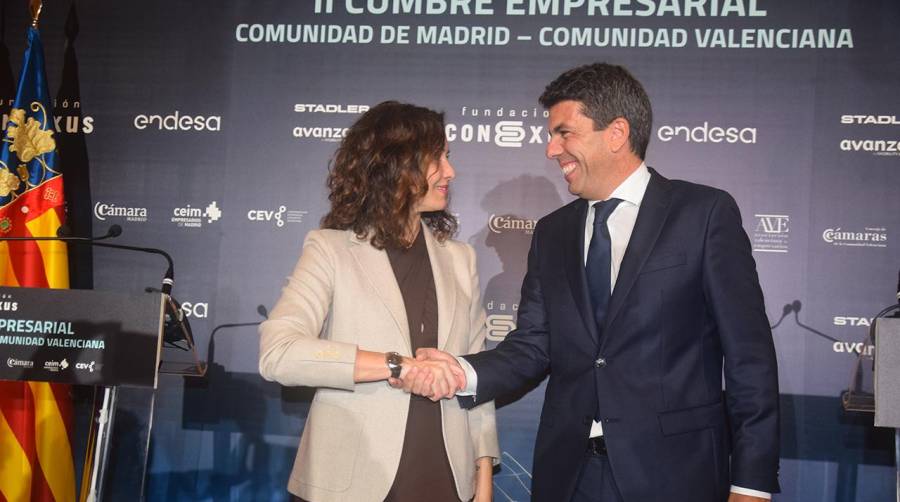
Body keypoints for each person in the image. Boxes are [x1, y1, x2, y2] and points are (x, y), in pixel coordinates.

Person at [411, 63, 780, 502]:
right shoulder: (552, 233)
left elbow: (749, 358)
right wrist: (460, 370)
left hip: (676, 474)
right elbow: (533, 346)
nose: (551, 149)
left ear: (617, 133)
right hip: (568, 475)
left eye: (564, 133)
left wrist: (752, 483)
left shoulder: (703, 214)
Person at [259, 101, 499, 502]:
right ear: (397, 164)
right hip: (352, 480)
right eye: (437, 158)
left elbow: (477, 374)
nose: (450, 171)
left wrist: (484, 477)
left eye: (448, 157)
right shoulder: (331, 249)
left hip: (446, 477)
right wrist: (395, 365)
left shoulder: (460, 259)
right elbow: (279, 353)